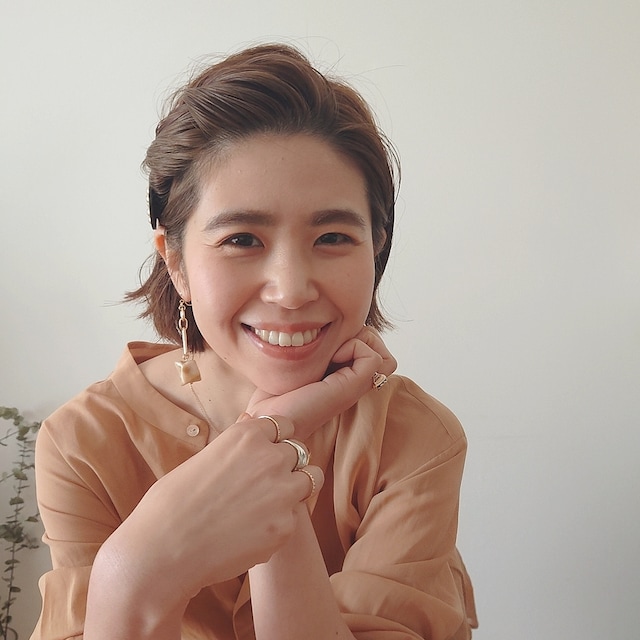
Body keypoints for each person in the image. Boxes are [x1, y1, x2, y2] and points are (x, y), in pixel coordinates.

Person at [31, 43, 478, 639]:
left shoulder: (411, 439)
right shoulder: (84, 443)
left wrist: (268, 442)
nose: (291, 291)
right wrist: (133, 572)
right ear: (176, 263)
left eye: (333, 238)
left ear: (376, 249)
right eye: (241, 239)